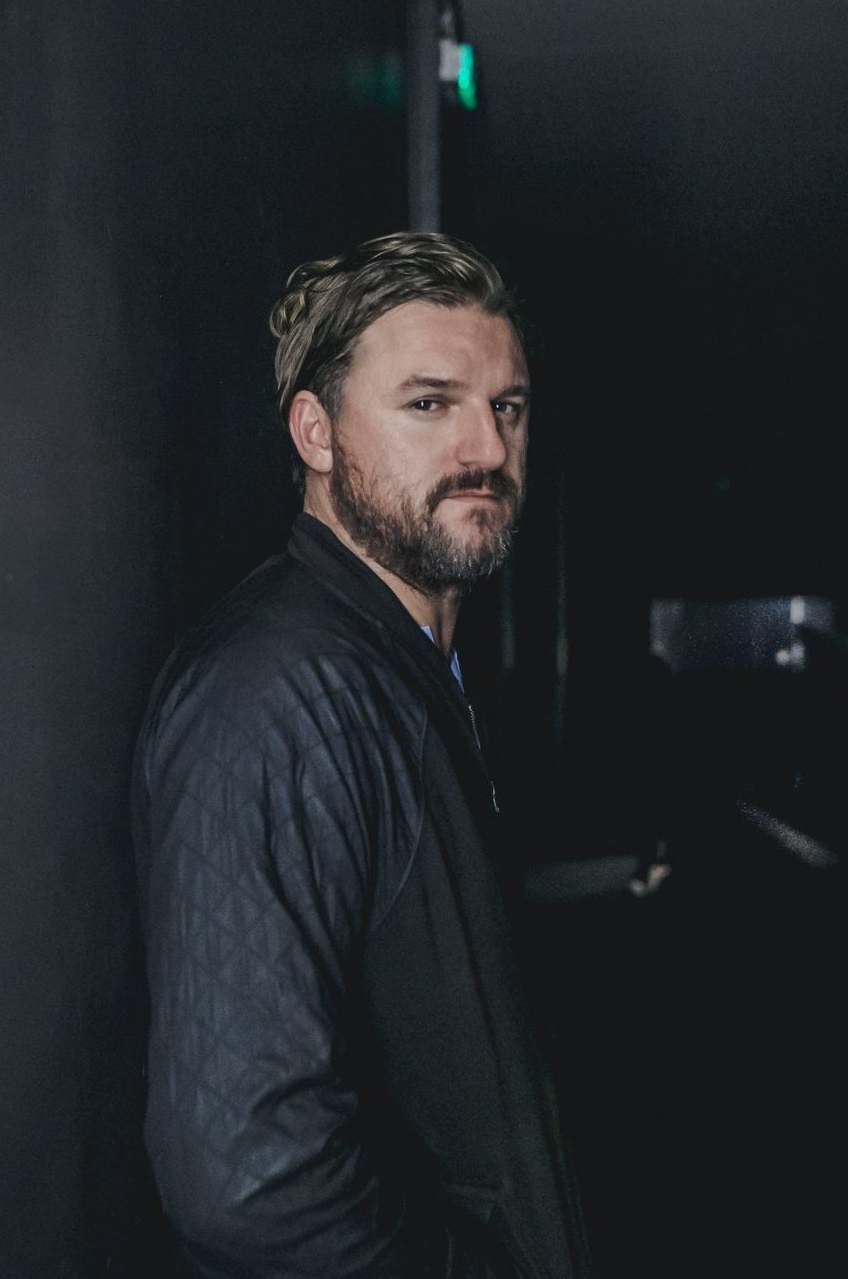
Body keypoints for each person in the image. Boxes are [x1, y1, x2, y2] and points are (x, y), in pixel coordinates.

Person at [132, 232, 590, 1278]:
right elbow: (248, 1178)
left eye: (507, 406)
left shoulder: (402, 669)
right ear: (317, 432)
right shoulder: (282, 693)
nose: (486, 447)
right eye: (430, 403)